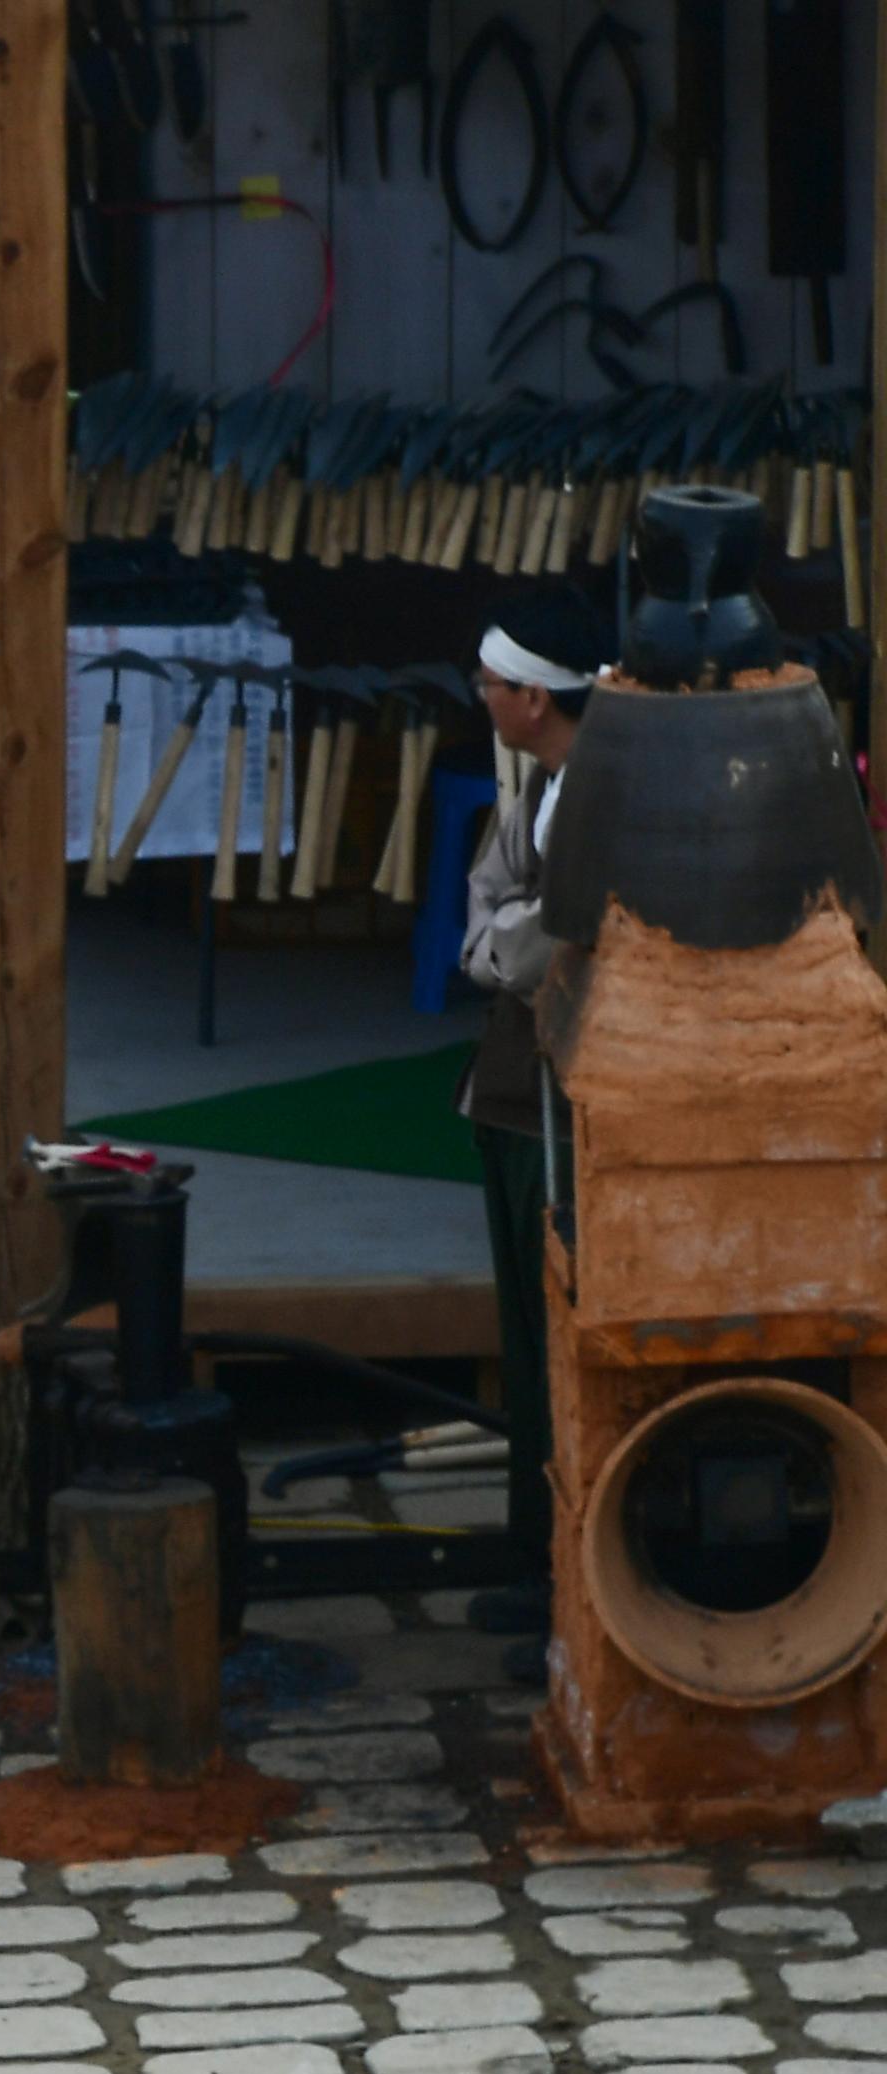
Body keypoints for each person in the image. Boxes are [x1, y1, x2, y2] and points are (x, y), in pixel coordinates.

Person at [460, 585, 606, 1681]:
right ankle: (531, 1551)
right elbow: (491, 902)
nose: (482, 695)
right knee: (521, 1341)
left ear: (533, 696)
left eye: (493, 681)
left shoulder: (594, 800)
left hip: (554, 1107)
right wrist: (505, 933)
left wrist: (506, 935)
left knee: (558, 1345)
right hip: (508, 1097)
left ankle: (571, 1574)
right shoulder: (543, 789)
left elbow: (540, 939)